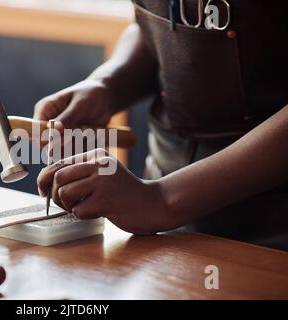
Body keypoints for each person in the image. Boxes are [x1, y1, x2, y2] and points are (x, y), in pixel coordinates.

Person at [34, 0, 288, 250]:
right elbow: (158, 24)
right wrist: (109, 85)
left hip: (273, 227)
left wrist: (163, 199)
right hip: (155, 209)